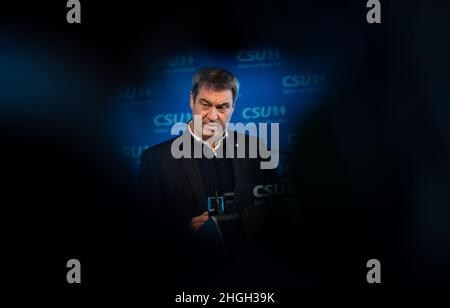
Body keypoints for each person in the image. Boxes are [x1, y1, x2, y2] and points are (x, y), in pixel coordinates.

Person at [138, 67, 277, 286]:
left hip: (252, 275)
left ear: (234, 107)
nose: (213, 116)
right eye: (205, 104)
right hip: (188, 275)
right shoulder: (156, 159)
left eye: (222, 107)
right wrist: (184, 231)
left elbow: (277, 215)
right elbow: (142, 234)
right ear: (191, 101)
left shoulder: (257, 150)